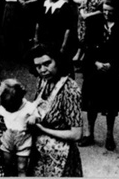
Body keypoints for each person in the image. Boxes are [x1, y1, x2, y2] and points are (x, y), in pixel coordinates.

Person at [79, 0, 119, 151]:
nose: (107, 14)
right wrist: (95, 62)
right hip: (94, 67)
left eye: (110, 11)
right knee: (91, 104)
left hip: (113, 71)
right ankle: (90, 134)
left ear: (118, 11)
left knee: (111, 105)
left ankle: (109, 136)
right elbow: (87, 45)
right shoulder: (94, 22)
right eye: (104, 11)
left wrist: (113, 65)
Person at [27, 44, 83, 177]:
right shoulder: (42, 80)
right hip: (40, 153)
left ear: (57, 61)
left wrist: (42, 129)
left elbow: (76, 134)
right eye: (38, 66)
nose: (42, 70)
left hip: (61, 155)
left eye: (47, 63)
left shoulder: (70, 90)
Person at [0, 79, 39, 176]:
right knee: (7, 164)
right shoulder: (4, 107)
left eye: (10, 108)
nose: (7, 110)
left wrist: (33, 118)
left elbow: (37, 115)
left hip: (23, 140)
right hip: (8, 139)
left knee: (22, 168)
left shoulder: (28, 107)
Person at [34, 0, 77, 66]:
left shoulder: (64, 6)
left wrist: (63, 46)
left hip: (58, 43)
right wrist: (36, 39)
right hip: (44, 43)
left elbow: (68, 29)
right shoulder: (44, 4)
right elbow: (38, 23)